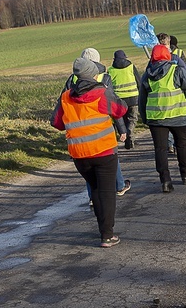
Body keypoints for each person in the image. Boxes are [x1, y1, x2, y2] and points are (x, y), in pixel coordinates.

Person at [50, 57, 128, 248]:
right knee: (107, 192)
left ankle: (103, 230)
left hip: (79, 154)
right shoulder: (101, 92)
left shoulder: (66, 96)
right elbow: (121, 110)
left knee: (95, 189)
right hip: (104, 151)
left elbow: (56, 123)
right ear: (93, 74)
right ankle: (107, 235)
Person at [63, 48, 130, 199]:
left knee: (87, 164)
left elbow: (63, 105)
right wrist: (122, 129)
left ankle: (93, 197)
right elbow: (113, 105)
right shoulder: (104, 77)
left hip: (78, 128)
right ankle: (119, 185)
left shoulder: (72, 79)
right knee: (109, 155)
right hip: (101, 126)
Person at [139, 44, 186, 192]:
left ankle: (165, 181)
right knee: (182, 145)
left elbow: (142, 99)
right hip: (179, 116)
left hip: (157, 119)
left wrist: (145, 118)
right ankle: (185, 175)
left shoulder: (147, 74)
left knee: (160, 149)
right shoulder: (177, 70)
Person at [108, 50, 140, 150]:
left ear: (114, 59)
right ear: (125, 57)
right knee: (132, 119)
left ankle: (126, 137)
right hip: (133, 98)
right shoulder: (131, 66)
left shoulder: (111, 70)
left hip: (119, 100)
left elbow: (109, 86)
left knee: (122, 120)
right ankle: (129, 134)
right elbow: (138, 81)